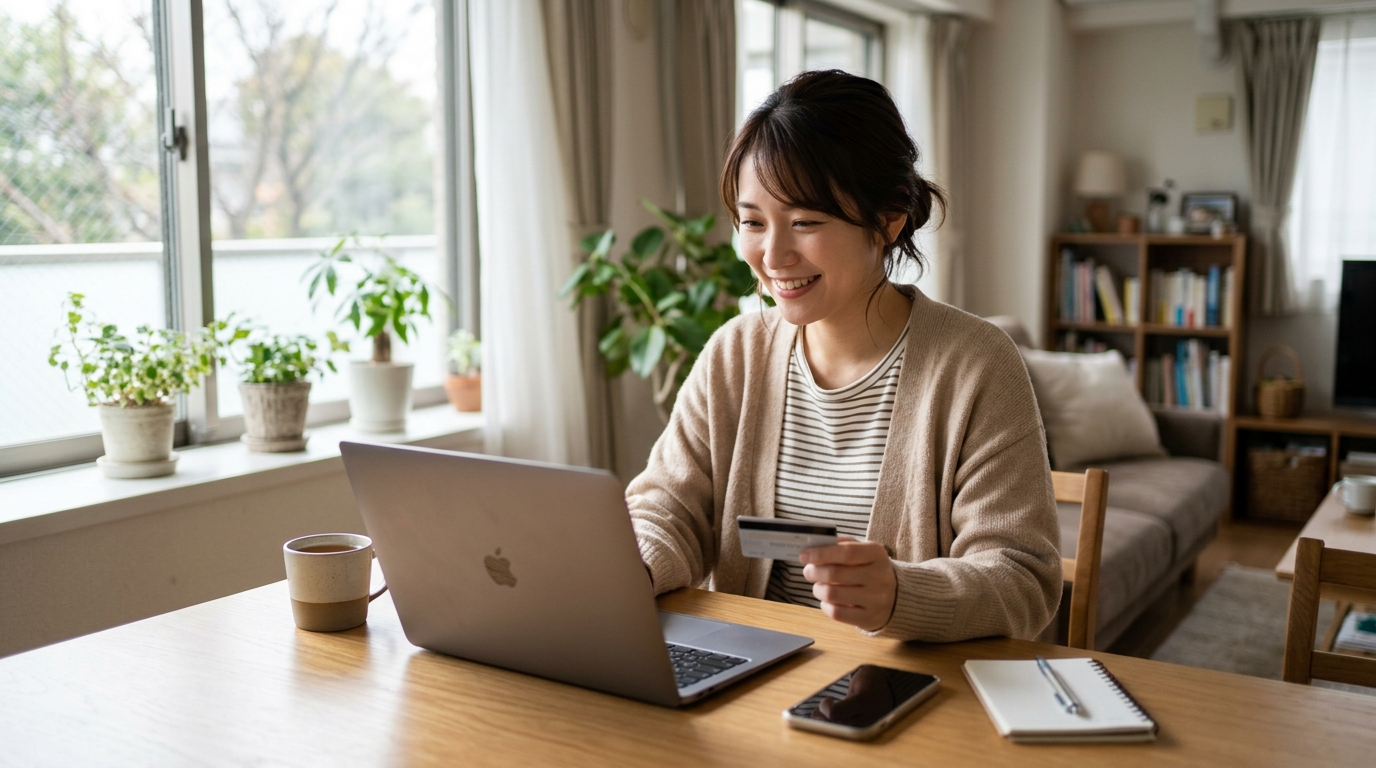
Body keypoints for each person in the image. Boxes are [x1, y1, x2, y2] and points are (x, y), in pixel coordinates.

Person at [626, 70, 1061, 643]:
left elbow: (1021, 577)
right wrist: (635, 565)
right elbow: (667, 509)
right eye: (753, 222)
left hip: (897, 689)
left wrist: (902, 596)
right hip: (746, 675)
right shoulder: (735, 353)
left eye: (805, 222)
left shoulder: (976, 364)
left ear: (887, 220)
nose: (774, 254)